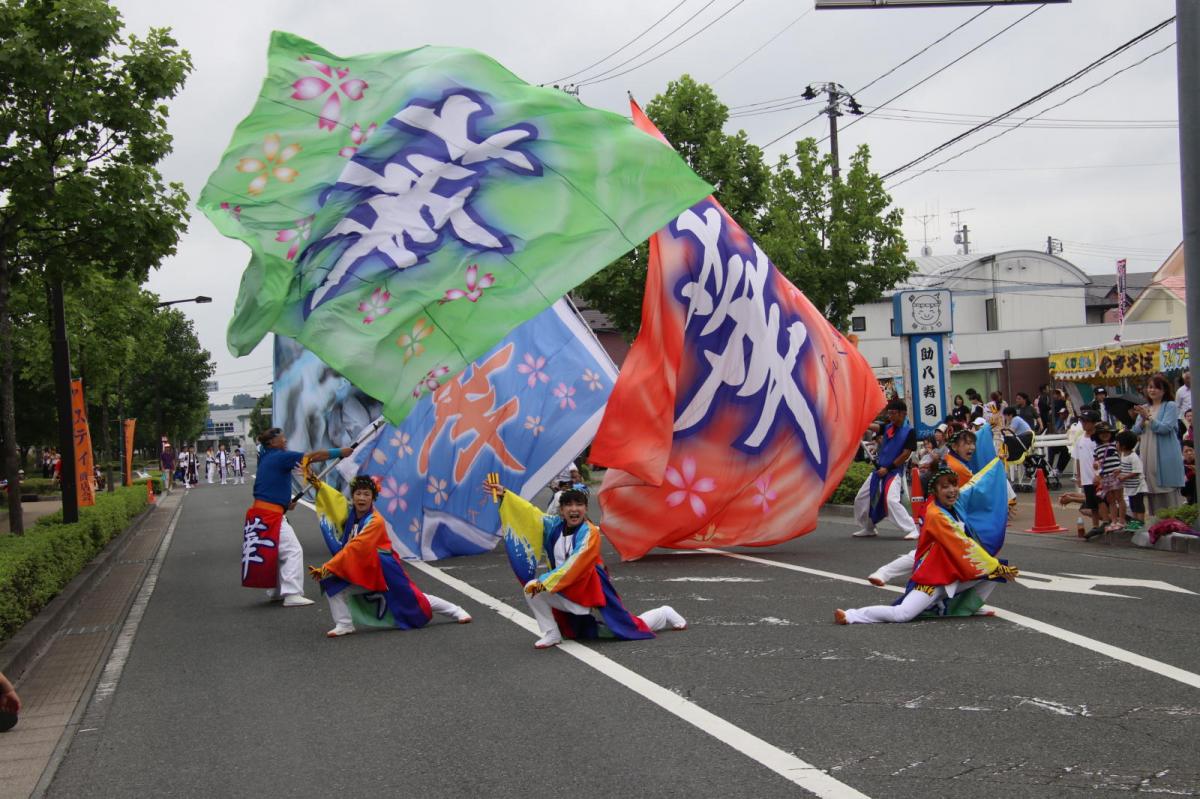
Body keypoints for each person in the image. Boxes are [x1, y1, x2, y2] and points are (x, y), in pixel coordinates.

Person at [485, 476, 686, 649]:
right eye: (569, 505)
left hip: (588, 589)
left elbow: (576, 562)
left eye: (578, 505)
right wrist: (505, 495)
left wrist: (545, 582)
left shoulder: (589, 532)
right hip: (563, 588)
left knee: (627, 627)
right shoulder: (553, 525)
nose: (574, 509)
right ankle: (551, 633)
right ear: (561, 510)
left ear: (585, 508)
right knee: (531, 589)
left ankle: (663, 612)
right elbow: (529, 513)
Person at [837, 465, 1018, 625]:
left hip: (955, 573)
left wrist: (997, 465)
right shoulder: (935, 515)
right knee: (902, 614)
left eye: (954, 485)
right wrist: (994, 566)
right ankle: (853, 615)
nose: (952, 490)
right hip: (932, 579)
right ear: (935, 491)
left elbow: (975, 487)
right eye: (945, 486)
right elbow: (962, 545)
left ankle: (965, 606)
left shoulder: (956, 503)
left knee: (996, 573)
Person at [308, 474, 471, 638]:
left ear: (373, 497)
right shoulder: (351, 512)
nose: (362, 498)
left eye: (366, 494)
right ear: (353, 496)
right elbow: (336, 501)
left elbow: (356, 547)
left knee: (413, 597)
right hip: (361, 566)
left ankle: (455, 610)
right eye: (358, 494)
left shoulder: (374, 521)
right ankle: (344, 624)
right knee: (333, 586)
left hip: (383, 568)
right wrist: (319, 486)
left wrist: (328, 567)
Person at [243, 427, 352, 608]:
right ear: (272, 443)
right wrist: (340, 452)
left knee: (275, 552)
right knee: (293, 550)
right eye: (282, 438)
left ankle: (276, 591)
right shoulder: (279, 456)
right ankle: (292, 594)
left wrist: (284, 503)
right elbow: (313, 457)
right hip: (269, 516)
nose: (285, 441)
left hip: (263, 513)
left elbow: (268, 487)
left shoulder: (268, 458)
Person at [852, 400, 918, 540]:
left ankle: (912, 528)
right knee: (861, 498)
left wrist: (888, 469)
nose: (891, 416)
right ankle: (869, 527)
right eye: (889, 413)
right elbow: (875, 427)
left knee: (891, 500)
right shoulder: (889, 427)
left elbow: (905, 454)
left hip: (893, 472)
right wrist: (860, 422)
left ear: (903, 414)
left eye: (893, 413)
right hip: (878, 471)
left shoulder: (909, 431)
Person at [1131, 373, 1185, 514]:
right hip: (1147, 452)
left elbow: (1165, 428)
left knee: (1167, 489)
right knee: (1152, 488)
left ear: (1164, 390)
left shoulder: (1170, 406)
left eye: (1156, 388)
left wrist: (1148, 417)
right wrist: (1142, 419)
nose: (1152, 390)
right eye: (1150, 387)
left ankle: (1174, 521)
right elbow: (1135, 431)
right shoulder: (1145, 407)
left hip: (1165, 453)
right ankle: (1158, 523)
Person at [1073, 409, 1108, 537]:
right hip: (1086, 477)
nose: (1083, 424)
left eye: (1086, 421)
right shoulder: (1080, 439)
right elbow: (1077, 458)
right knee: (1092, 503)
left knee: (1101, 500)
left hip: (1098, 477)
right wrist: (1079, 476)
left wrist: (1101, 474)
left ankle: (1105, 522)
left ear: (1094, 423)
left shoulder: (1098, 439)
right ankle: (1095, 526)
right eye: (1082, 421)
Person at [1088, 422, 1124, 536]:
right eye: (1101, 433)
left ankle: (1121, 520)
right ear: (1097, 435)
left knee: (1119, 498)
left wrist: (1121, 468)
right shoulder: (1097, 449)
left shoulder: (1115, 445)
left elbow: (1122, 456)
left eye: (1107, 432)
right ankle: (1113, 521)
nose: (1105, 435)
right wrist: (1095, 465)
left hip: (1116, 474)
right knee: (1110, 500)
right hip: (1105, 476)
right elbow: (1096, 461)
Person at [1117, 431, 1148, 531]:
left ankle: (1141, 522)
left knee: (1138, 505)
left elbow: (1137, 472)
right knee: (1133, 505)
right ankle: (1135, 522)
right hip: (1130, 487)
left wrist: (1124, 477)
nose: (1116, 444)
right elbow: (1124, 467)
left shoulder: (1133, 457)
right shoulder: (1123, 455)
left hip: (1138, 487)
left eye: (1117, 442)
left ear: (1124, 445)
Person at [1182, 441, 1196, 506]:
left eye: (1191, 450)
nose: (1189, 453)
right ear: (1182, 453)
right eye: (1186, 451)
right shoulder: (1181, 465)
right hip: (1187, 494)